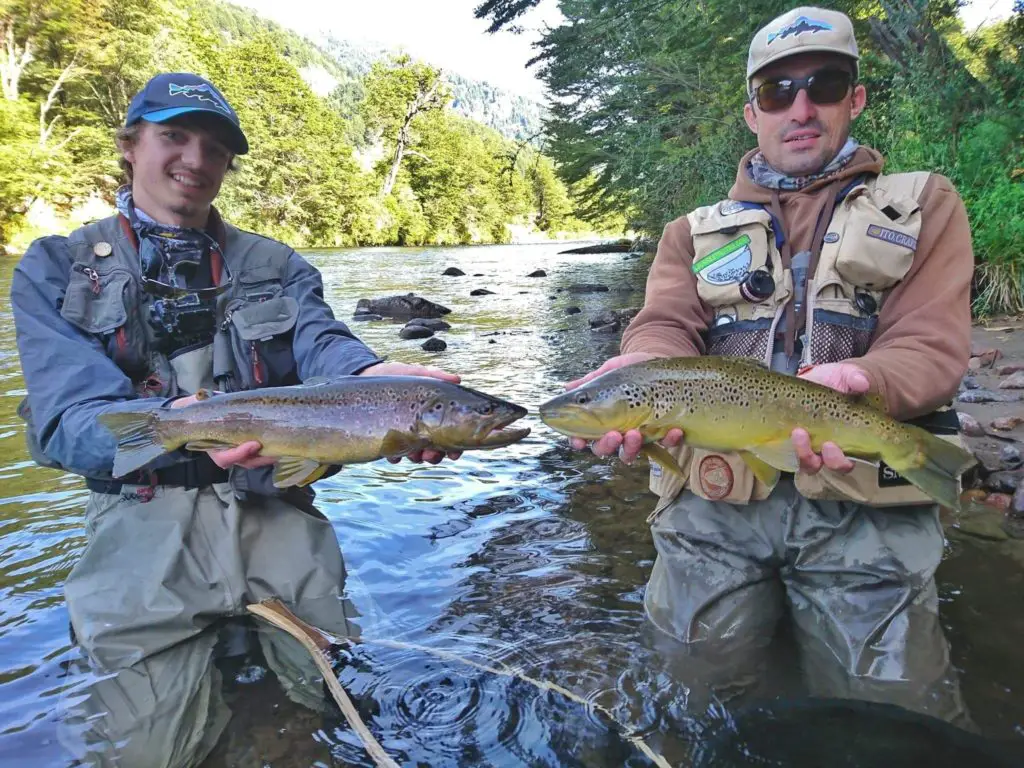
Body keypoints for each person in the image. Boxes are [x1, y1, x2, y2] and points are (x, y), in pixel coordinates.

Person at [10, 72, 463, 766]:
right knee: (149, 751)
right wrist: (168, 425)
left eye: (215, 147)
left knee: (319, 714)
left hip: (275, 504)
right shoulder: (56, 268)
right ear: (130, 145)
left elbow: (321, 342)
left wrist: (374, 380)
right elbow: (72, 421)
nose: (195, 158)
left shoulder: (275, 264)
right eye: (174, 136)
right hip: (142, 516)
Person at [565, 7, 974, 725]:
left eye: (824, 83)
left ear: (857, 97)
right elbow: (663, 326)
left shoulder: (924, 205)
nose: (802, 106)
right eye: (778, 91)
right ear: (751, 112)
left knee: (895, 714)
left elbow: (931, 346)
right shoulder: (691, 232)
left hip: (861, 494)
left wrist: (863, 383)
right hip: (716, 498)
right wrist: (640, 367)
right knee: (687, 697)